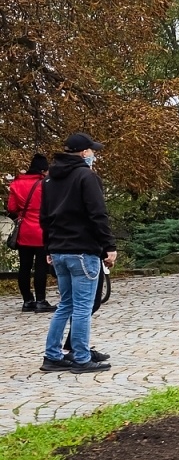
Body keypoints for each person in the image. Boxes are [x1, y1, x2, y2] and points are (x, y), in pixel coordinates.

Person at [39, 133, 116, 372]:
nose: (93, 154)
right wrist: (109, 246)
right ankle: (81, 357)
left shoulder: (49, 179)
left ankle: (52, 354)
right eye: (91, 150)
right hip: (82, 250)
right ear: (84, 152)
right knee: (82, 306)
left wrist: (49, 247)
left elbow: (45, 218)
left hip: (59, 249)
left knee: (66, 304)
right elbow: (97, 214)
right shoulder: (86, 176)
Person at [7, 154, 51, 312]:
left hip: (24, 230)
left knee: (24, 267)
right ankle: (41, 300)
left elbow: (11, 208)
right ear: (44, 170)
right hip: (41, 230)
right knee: (41, 266)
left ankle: (27, 300)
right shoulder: (46, 184)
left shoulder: (17, 183)